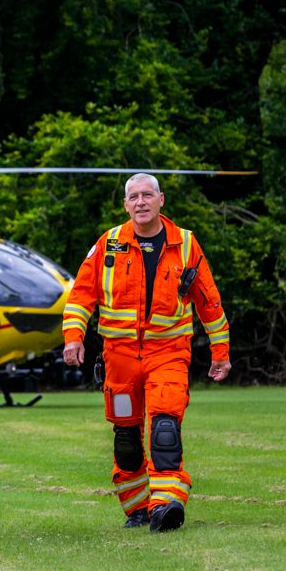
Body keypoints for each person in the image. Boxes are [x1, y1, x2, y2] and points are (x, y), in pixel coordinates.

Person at [62, 173, 231, 533]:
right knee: (126, 439)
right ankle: (136, 508)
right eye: (133, 196)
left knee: (165, 427)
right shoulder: (108, 244)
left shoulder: (185, 244)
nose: (140, 202)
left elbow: (209, 301)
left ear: (161, 200)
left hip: (168, 353)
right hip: (119, 358)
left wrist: (221, 351)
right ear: (126, 204)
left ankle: (166, 504)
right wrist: (73, 337)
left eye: (147, 195)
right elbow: (80, 296)